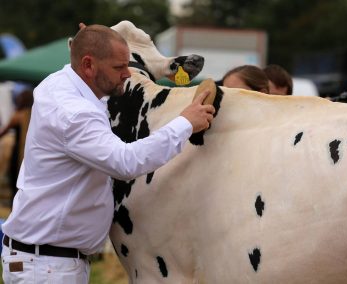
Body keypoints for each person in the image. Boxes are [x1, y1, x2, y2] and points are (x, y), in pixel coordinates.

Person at [1, 24, 215, 284]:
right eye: (118, 68)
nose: (127, 74)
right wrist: (185, 123)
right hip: (49, 267)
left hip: (46, 261)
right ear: (89, 65)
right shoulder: (75, 114)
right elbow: (125, 162)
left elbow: (87, 54)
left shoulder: (60, 83)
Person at [0, 89, 33, 205]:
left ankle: (13, 205)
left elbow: (4, 131)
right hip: (29, 152)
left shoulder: (18, 115)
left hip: (18, 152)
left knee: (15, 179)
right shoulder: (34, 114)